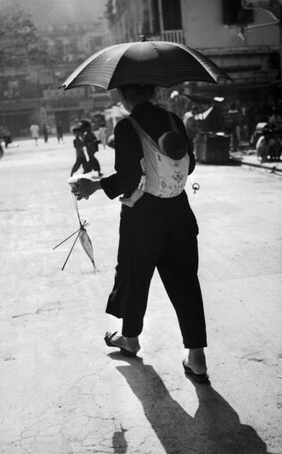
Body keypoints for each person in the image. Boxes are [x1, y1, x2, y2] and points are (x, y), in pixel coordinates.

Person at [72, 84, 208, 383]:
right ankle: (197, 358)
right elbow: (191, 164)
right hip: (179, 212)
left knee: (135, 277)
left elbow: (129, 178)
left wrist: (94, 185)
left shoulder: (127, 126)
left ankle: (130, 339)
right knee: (186, 285)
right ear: (153, 90)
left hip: (143, 216)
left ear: (124, 94)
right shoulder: (173, 120)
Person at [120, 129, 188, 207]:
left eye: (162, 137)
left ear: (162, 149)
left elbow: (146, 141)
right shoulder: (184, 157)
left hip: (156, 190)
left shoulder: (157, 156)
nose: (163, 133)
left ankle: (132, 200)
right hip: (177, 191)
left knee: (143, 184)